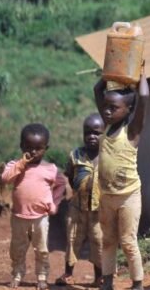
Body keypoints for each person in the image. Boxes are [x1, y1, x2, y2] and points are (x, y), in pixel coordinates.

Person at [93, 72, 149, 290]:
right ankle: (107, 281)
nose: (107, 111)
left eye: (113, 108)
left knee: (128, 241)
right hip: (106, 195)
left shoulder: (132, 131)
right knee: (107, 240)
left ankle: (137, 283)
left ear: (128, 110)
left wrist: (139, 75)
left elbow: (144, 99)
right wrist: (108, 74)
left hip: (128, 196)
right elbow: (97, 91)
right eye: (106, 107)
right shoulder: (107, 125)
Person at [0, 123, 67, 290]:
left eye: (39, 148)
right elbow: (6, 178)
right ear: (22, 146)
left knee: (42, 249)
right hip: (19, 217)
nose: (33, 152)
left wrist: (55, 203)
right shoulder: (15, 165)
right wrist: (22, 162)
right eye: (29, 147)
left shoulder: (49, 169)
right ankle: (16, 275)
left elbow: (61, 185)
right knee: (17, 249)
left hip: (40, 218)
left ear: (46, 148)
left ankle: (42, 277)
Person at [55, 113, 104, 287]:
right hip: (77, 207)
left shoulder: (108, 156)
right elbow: (69, 176)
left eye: (97, 133)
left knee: (98, 242)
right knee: (73, 239)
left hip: (100, 211)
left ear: (104, 134)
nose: (91, 136)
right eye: (87, 132)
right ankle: (68, 274)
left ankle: (99, 277)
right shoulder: (75, 155)